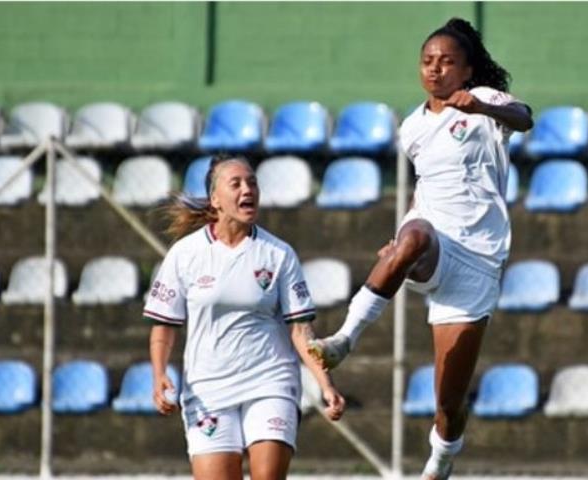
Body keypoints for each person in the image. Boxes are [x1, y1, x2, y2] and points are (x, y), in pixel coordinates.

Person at [308, 17, 533, 480]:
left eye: (447, 62)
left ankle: (441, 460)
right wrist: (404, 236)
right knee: (413, 236)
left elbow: (525, 118)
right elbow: (424, 190)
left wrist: (484, 110)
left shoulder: (486, 102)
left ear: (467, 71)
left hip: (479, 259)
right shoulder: (412, 127)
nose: (435, 69)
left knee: (448, 404)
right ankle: (343, 339)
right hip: (434, 242)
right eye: (428, 61)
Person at [145, 155, 345, 480]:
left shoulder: (278, 254)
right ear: (215, 199)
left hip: (270, 381)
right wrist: (158, 374)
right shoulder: (185, 254)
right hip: (208, 387)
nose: (247, 189)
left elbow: (299, 330)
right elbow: (164, 325)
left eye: (252, 182)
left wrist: (325, 384)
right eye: (235, 183)